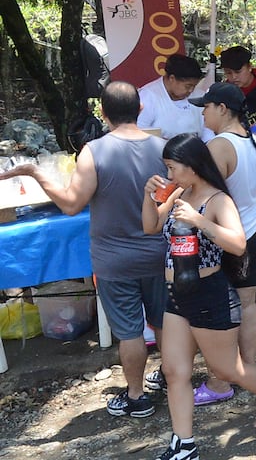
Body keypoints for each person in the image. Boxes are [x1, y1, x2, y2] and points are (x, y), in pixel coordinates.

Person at [0, 81, 168, 419]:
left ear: (103, 114)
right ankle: (169, 378)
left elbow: (72, 204)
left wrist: (35, 173)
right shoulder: (163, 147)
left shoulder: (94, 151)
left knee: (131, 332)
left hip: (114, 260)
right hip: (158, 253)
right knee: (163, 322)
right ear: (139, 109)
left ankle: (137, 397)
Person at [142, 134, 256, 460]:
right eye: (166, 168)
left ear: (193, 165)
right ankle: (183, 444)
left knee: (228, 369)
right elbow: (151, 226)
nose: (169, 175)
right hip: (175, 294)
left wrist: (199, 221)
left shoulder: (217, 201)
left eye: (173, 168)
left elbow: (238, 244)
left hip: (208, 295)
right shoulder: (180, 193)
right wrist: (148, 197)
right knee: (174, 371)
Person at [186, 82, 256, 406]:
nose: (203, 113)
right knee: (247, 303)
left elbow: (201, 193)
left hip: (230, 236)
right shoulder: (252, 140)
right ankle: (247, 368)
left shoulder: (218, 146)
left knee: (222, 308)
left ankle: (220, 381)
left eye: (206, 107)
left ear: (222, 109)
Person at [138, 54, 209, 140]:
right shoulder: (148, 96)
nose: (191, 90)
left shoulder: (200, 96)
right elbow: (140, 132)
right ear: (172, 78)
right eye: (188, 86)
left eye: (194, 86)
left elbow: (208, 130)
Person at [218, 45, 256, 128]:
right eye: (228, 73)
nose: (234, 77)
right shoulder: (227, 93)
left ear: (249, 67)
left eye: (238, 72)